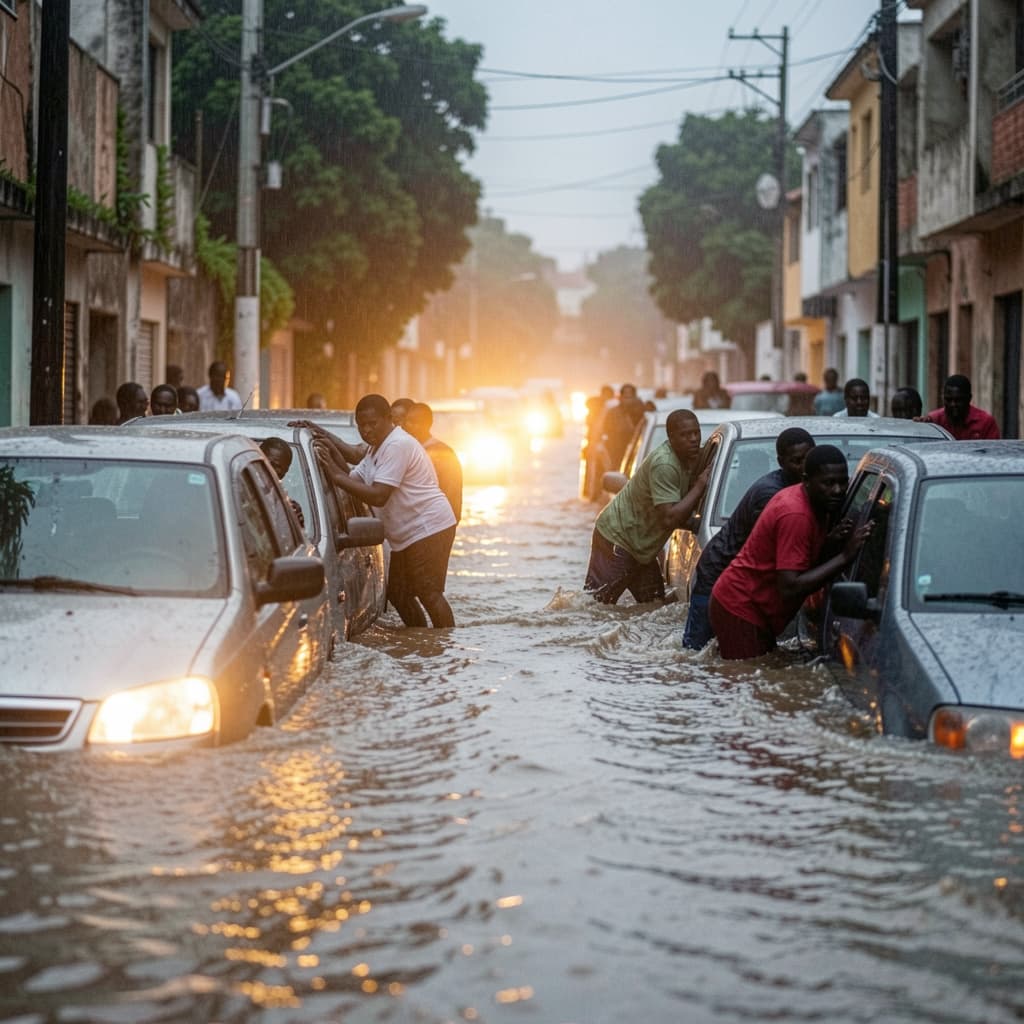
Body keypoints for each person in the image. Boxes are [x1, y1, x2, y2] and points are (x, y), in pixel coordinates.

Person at [709, 445, 871, 660]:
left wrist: (830, 543)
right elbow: (790, 586)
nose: (838, 491)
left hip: (748, 608)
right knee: (745, 683)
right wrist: (845, 556)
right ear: (806, 480)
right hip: (741, 608)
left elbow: (802, 558)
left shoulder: (816, 504)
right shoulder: (796, 513)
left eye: (843, 482)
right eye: (828, 483)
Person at [315, 394, 457, 628]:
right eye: (362, 425)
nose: (367, 430)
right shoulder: (375, 449)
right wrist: (330, 452)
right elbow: (354, 480)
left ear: (389, 419)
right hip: (408, 534)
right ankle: (420, 639)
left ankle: (446, 645)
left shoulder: (397, 444)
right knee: (399, 593)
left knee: (429, 592)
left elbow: (379, 495)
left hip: (429, 526)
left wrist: (336, 475)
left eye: (373, 423)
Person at [682, 427, 816, 651]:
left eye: (808, 459)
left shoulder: (802, 490)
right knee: (695, 654)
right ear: (781, 461)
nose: (804, 468)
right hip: (718, 577)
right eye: (796, 461)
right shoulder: (775, 497)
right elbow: (769, 552)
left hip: (742, 588)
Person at [584, 408, 711, 605]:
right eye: (685, 435)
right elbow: (669, 517)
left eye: (696, 433)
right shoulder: (665, 464)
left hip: (642, 548)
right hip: (618, 539)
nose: (693, 439)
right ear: (671, 438)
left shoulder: (694, 458)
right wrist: (701, 485)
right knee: (596, 606)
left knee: (654, 606)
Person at [405, 402, 463, 523]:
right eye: (408, 421)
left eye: (415, 422)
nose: (409, 426)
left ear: (427, 424)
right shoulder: (408, 448)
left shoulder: (443, 452)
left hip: (436, 523)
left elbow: (452, 491)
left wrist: (450, 520)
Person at [922, 374, 1000, 439]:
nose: (953, 404)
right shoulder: (934, 420)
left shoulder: (985, 422)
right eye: (948, 400)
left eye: (958, 400)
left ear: (969, 398)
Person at [259, 437, 305, 530]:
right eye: (268, 463)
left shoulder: (286, 506)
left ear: (285, 471)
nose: (270, 469)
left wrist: (295, 523)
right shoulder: (241, 489)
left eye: (276, 466)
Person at [601, 383, 646, 470]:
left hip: (637, 456)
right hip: (617, 455)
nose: (628, 400)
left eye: (630, 397)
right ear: (620, 397)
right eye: (625, 397)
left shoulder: (641, 413)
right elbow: (606, 432)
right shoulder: (613, 413)